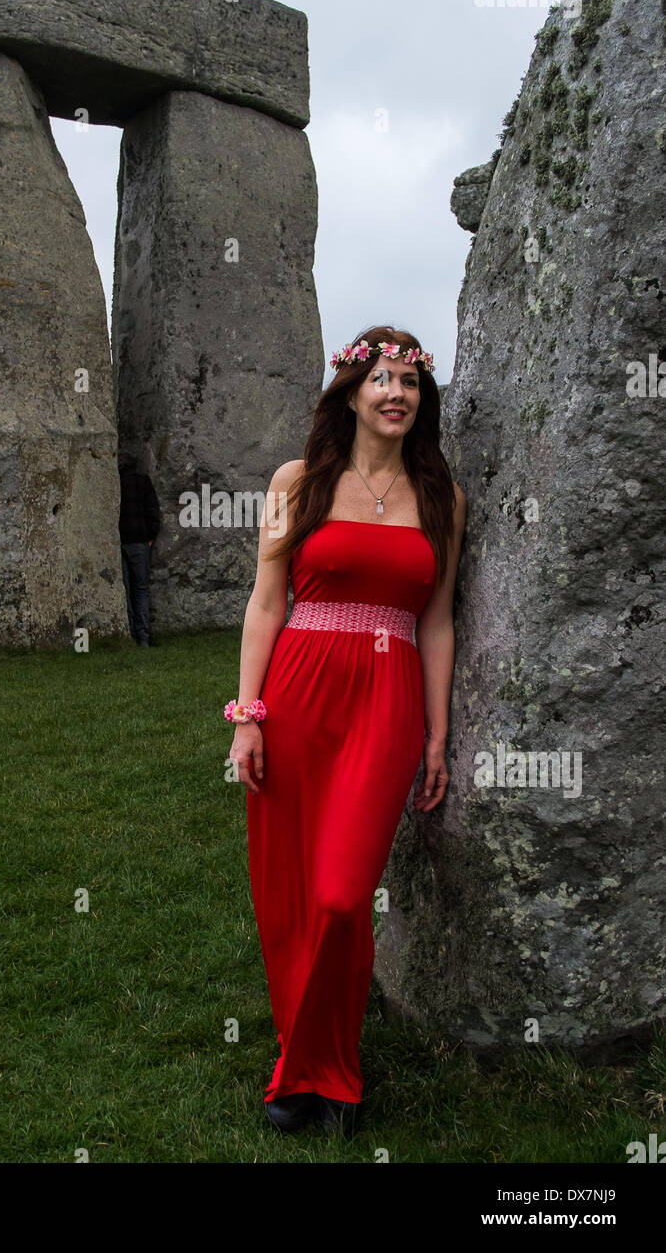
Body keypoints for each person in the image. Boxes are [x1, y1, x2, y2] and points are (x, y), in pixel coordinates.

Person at [226, 326, 466, 1139]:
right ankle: (315, 1068)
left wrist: (436, 735)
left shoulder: (442, 497)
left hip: (387, 701)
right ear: (352, 393)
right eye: (382, 379)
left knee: (340, 894)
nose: (397, 393)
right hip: (298, 695)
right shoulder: (297, 481)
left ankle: (320, 1061)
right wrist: (248, 718)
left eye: (411, 381)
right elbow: (266, 603)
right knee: (289, 892)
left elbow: (437, 621)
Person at [118, 450, 160, 647]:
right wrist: (151, 535)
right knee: (141, 589)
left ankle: (131, 634)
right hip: (139, 541)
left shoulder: (116, 483)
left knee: (125, 589)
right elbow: (152, 509)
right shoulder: (142, 482)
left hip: (120, 542)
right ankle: (143, 637)